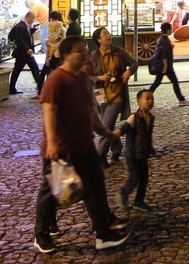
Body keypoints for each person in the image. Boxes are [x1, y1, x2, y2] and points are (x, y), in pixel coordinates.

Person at [34, 36, 128, 253]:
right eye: (79, 51)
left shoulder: (83, 79)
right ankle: (41, 234)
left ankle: (103, 233)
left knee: (95, 187)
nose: (84, 54)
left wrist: (103, 132)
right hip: (61, 148)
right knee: (52, 193)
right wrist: (53, 143)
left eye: (84, 50)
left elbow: (91, 111)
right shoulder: (57, 79)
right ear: (66, 55)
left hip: (84, 146)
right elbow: (49, 110)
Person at [90, 27, 137, 166]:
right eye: (105, 34)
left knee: (106, 125)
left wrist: (128, 73)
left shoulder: (119, 52)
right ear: (99, 40)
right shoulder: (94, 56)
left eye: (108, 33)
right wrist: (100, 77)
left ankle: (100, 157)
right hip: (101, 95)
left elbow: (134, 63)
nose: (108, 35)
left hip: (117, 94)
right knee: (108, 125)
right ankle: (116, 149)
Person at [113, 89, 156, 213]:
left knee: (144, 179)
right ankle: (123, 193)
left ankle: (139, 201)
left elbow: (148, 135)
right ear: (138, 102)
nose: (150, 101)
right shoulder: (134, 117)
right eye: (147, 99)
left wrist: (151, 148)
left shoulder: (151, 117)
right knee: (134, 178)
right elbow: (124, 128)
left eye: (152, 99)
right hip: (132, 154)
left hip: (143, 154)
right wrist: (116, 133)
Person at [147, 22, 189, 106]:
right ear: (167, 30)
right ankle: (181, 99)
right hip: (165, 66)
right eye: (171, 28)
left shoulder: (162, 39)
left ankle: (147, 96)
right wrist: (166, 66)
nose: (172, 30)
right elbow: (164, 55)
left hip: (162, 66)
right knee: (174, 81)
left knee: (157, 82)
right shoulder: (165, 41)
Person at [8, 11, 42, 95]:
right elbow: (20, 40)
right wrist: (27, 49)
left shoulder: (26, 26)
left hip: (27, 53)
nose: (33, 21)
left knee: (34, 68)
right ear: (28, 17)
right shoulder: (20, 26)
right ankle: (11, 88)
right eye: (33, 19)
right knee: (17, 70)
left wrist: (33, 30)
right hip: (22, 53)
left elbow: (26, 35)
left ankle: (41, 87)